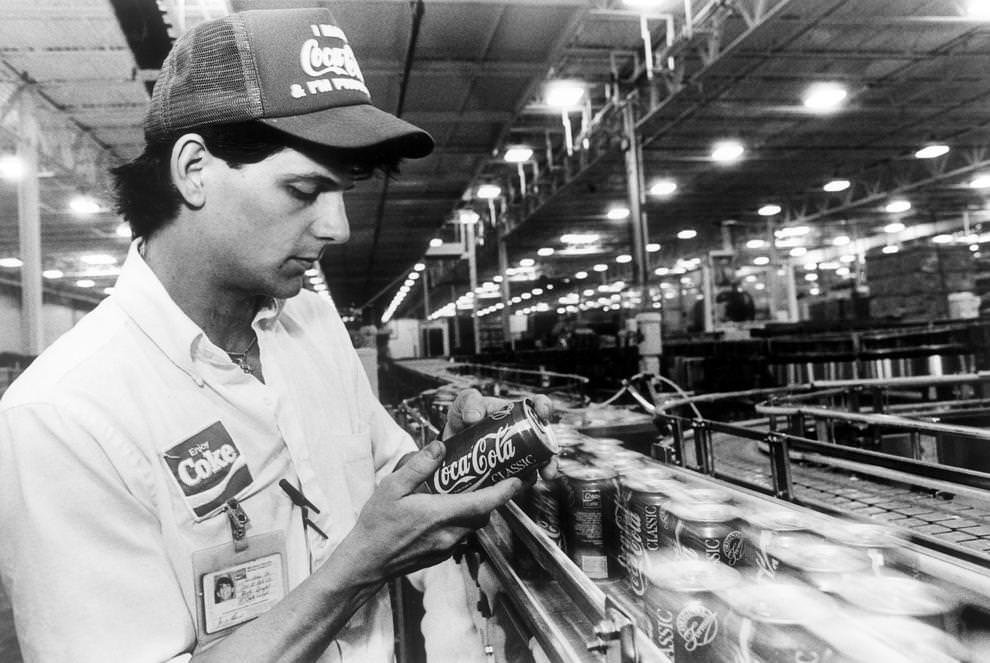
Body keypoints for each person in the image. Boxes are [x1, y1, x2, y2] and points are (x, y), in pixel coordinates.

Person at [0, 8, 554, 663]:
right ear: (194, 170)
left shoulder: (312, 325)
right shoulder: (66, 416)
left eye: (342, 191)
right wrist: (359, 566)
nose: (338, 227)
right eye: (303, 189)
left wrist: (459, 452)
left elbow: (381, 471)